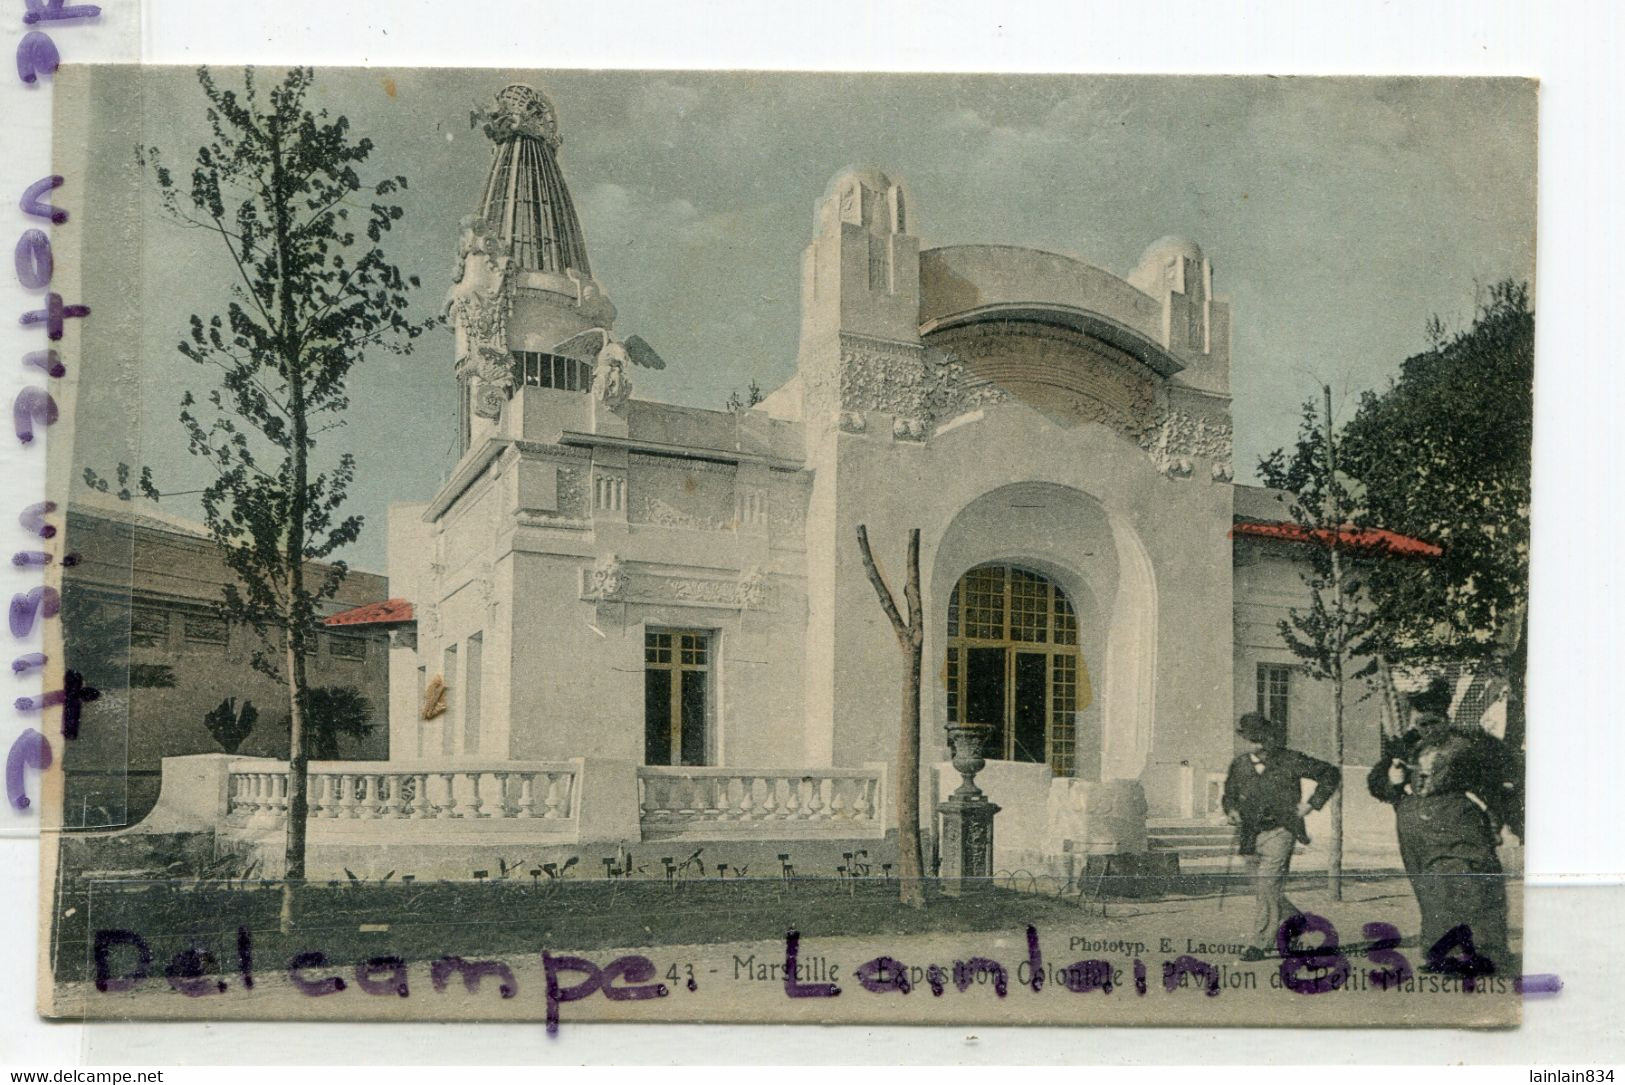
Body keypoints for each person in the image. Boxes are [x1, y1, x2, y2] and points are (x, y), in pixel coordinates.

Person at [1368, 711, 1513, 974]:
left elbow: (1494, 784)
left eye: (1433, 721)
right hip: (1416, 830)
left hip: (1458, 823)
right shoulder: (1404, 746)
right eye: (1421, 723)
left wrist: (1495, 820)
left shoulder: (1469, 745)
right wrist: (1393, 778)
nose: (1426, 728)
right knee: (1432, 893)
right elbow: (1377, 784)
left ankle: (1480, 953)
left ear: (1446, 719)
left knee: (1465, 884)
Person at [1222, 712, 1341, 962]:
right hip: (1250, 835)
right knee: (1265, 888)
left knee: (1267, 885)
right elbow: (1229, 795)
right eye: (1253, 740)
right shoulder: (1240, 765)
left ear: (1271, 736)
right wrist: (1231, 811)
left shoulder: (1290, 759)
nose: (1259, 745)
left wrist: (1311, 804)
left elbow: (1330, 773)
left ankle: (1259, 943)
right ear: (1246, 740)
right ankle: (1298, 923)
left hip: (1281, 830)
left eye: (1262, 738)